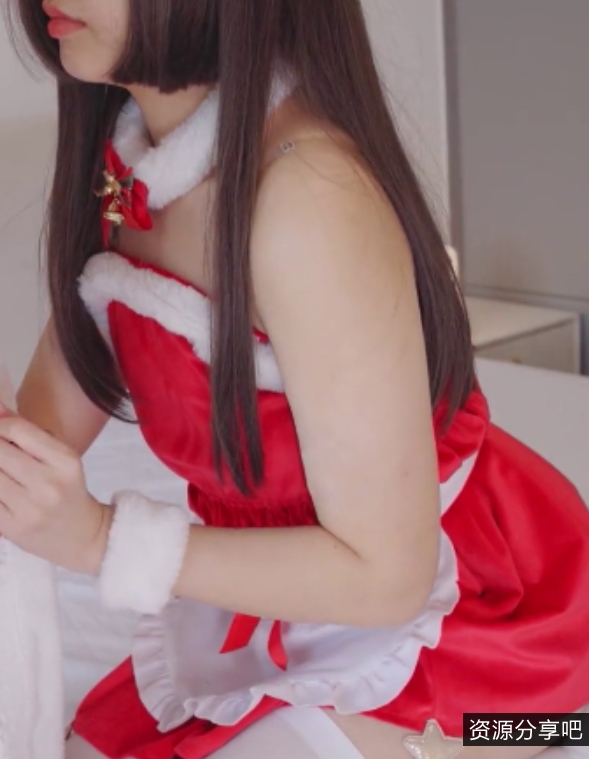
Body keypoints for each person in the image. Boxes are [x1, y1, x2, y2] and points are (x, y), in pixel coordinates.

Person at [2, 1, 589, 758]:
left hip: (469, 622)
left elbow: (387, 577)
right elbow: (39, 439)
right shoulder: (133, 168)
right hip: (270, 598)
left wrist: (100, 540)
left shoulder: (307, 196)